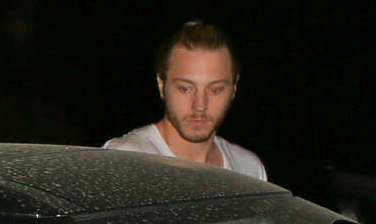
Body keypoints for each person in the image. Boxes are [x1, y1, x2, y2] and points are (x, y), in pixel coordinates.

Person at [103, 20, 267, 179]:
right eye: (185, 88)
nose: (200, 105)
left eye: (215, 89)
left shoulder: (248, 169)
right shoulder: (126, 161)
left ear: (234, 88)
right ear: (161, 84)